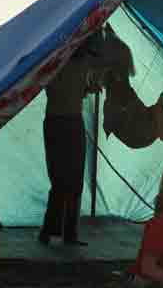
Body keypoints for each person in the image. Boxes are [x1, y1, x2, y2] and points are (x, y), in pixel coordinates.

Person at [38, 30, 132, 247]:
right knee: (64, 181)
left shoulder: (70, 63)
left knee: (67, 181)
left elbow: (109, 62)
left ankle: (60, 233)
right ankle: (55, 232)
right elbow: (114, 58)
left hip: (64, 122)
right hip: (62, 123)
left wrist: (88, 87)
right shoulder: (63, 62)